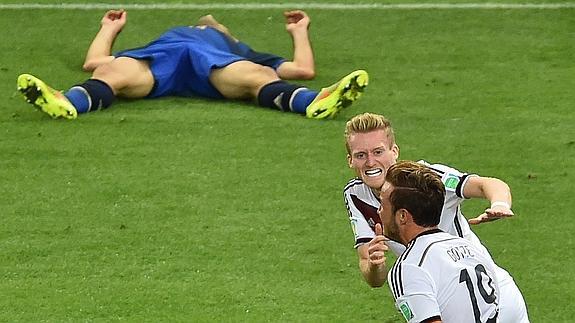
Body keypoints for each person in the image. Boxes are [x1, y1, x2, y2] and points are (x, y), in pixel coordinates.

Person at [343, 113, 529, 322]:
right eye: (361, 155)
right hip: (448, 295)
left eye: (378, 151)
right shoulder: (355, 195)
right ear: (350, 160)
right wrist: (376, 266)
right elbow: (370, 270)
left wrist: (500, 204)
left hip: (489, 293)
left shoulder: (426, 179)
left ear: (394, 151)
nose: (370, 162)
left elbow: (486, 184)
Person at [17, 10, 368, 120]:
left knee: (259, 75)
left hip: (215, 69)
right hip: (160, 63)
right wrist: (109, 28)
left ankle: (314, 101)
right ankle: (67, 102)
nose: (209, 19)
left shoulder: (236, 46)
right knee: (110, 72)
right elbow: (95, 60)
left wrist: (299, 30)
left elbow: (301, 68)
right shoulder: (166, 38)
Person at [380, 161, 500, 323]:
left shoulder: (410, 266)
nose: (379, 211)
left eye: (383, 205)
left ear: (403, 216)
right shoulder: (472, 249)